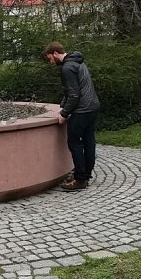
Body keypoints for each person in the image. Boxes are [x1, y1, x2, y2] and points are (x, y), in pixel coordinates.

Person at [42, 42, 100, 192]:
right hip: (93, 107)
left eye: (50, 58)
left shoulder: (67, 68)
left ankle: (80, 179)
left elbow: (74, 94)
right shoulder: (78, 62)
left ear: (55, 53)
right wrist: (63, 105)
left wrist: (64, 113)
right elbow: (71, 91)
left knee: (74, 142)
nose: (51, 62)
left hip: (81, 110)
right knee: (89, 141)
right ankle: (86, 174)